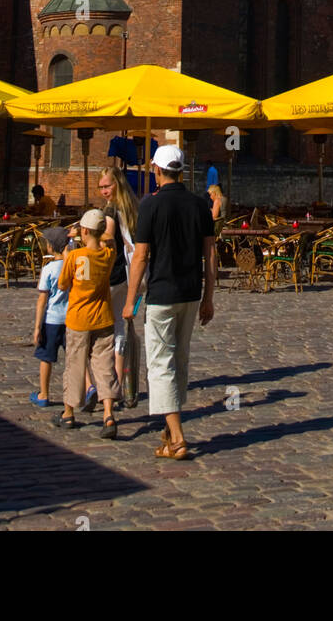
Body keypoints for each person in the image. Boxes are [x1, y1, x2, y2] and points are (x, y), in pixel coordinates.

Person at [124, 144, 215, 460]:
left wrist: (131, 299)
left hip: (162, 295)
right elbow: (210, 254)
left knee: (161, 364)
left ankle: (177, 437)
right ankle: (168, 428)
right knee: (180, 359)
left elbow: (140, 257)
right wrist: (209, 297)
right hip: (191, 294)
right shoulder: (200, 205)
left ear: (157, 170)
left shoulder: (150, 206)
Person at [57, 209, 118, 437]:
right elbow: (110, 240)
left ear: (83, 230)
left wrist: (72, 242)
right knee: (104, 365)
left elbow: (63, 285)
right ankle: (109, 415)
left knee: (75, 364)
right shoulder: (107, 255)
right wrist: (98, 234)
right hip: (102, 317)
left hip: (78, 318)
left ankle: (68, 412)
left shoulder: (74, 256)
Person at [97, 166, 141, 402]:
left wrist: (88, 234)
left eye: (107, 186)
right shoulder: (133, 206)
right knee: (120, 329)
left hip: (113, 274)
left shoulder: (112, 209)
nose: (104, 191)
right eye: (101, 187)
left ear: (117, 185)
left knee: (100, 330)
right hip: (130, 274)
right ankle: (120, 383)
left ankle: (107, 387)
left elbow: (107, 238)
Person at [31, 227, 69, 407]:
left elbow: (42, 299)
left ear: (51, 247)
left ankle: (44, 394)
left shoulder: (49, 269)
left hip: (52, 319)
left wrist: (37, 327)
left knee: (46, 357)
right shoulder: (72, 266)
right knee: (75, 358)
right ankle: (85, 389)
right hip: (70, 319)